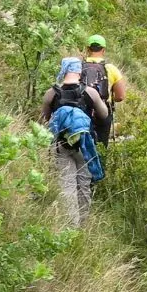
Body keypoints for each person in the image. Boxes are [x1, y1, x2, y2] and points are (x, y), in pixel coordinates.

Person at [42, 58, 108, 221]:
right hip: (84, 144)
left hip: (62, 145)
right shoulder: (90, 92)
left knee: (67, 186)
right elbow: (104, 115)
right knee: (84, 185)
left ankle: (70, 226)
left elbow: (45, 118)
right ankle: (83, 225)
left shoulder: (51, 93)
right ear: (80, 71)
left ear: (64, 69)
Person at [80, 34, 128, 143]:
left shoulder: (78, 67)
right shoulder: (111, 69)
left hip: (81, 110)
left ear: (88, 49)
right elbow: (120, 96)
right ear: (103, 50)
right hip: (103, 110)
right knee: (101, 146)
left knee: (82, 143)